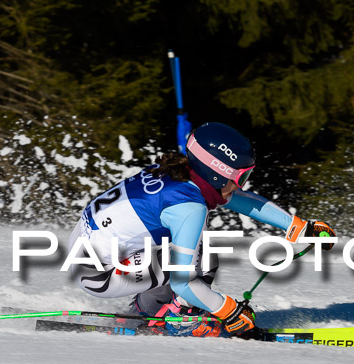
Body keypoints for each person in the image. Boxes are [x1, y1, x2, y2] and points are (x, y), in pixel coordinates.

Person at [67, 122, 335, 337]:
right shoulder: (190, 208)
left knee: (190, 250)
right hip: (97, 274)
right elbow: (183, 282)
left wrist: (297, 227)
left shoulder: (178, 173)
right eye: (241, 177)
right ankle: (178, 319)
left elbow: (240, 200)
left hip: (85, 250)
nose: (241, 185)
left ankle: (149, 310)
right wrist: (228, 310)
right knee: (203, 259)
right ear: (217, 174)